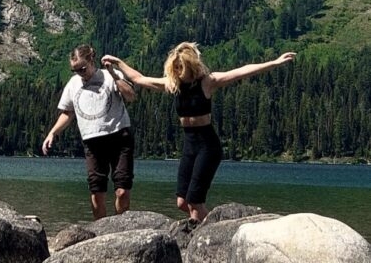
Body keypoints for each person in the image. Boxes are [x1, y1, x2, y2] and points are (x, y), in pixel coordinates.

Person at [102, 43, 296, 226]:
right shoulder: (173, 85)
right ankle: (212, 227)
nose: (178, 71)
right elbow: (139, 79)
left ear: (191, 65)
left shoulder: (207, 82)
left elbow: (241, 72)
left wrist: (275, 62)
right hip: (189, 145)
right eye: (175, 67)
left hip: (207, 146)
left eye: (181, 66)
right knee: (181, 202)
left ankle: (208, 233)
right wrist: (119, 63)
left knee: (195, 202)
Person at [42, 44, 136, 219]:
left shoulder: (109, 76)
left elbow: (131, 96)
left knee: (122, 191)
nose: (80, 73)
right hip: (92, 142)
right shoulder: (73, 84)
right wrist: (53, 133)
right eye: (75, 70)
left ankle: (120, 227)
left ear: (92, 60)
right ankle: (100, 232)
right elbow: (68, 113)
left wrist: (115, 75)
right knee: (96, 193)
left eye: (82, 69)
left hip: (119, 136)